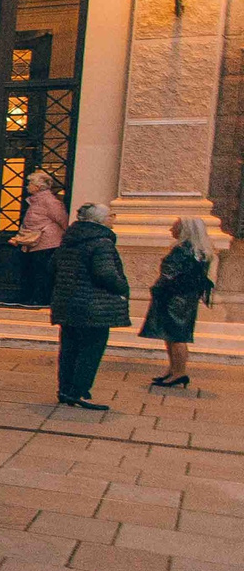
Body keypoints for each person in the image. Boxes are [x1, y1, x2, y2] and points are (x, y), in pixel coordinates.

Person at [50, 201, 131, 413]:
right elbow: (105, 273)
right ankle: (78, 391)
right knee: (91, 348)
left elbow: (53, 266)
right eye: (110, 215)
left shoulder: (70, 239)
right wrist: (123, 286)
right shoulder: (101, 241)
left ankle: (65, 389)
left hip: (68, 302)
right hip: (93, 305)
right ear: (100, 220)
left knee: (69, 347)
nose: (113, 219)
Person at [139, 217, 217, 390]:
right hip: (185, 298)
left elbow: (170, 275)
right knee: (175, 335)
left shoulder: (182, 250)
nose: (170, 230)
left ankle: (178, 372)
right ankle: (174, 370)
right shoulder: (199, 251)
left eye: (174, 227)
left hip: (174, 298)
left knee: (176, 336)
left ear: (184, 230)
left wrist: (158, 289)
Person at [13, 171, 69, 308]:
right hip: (35, 242)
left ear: (38, 186)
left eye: (30, 183)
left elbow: (63, 220)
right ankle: (32, 297)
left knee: (42, 272)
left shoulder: (50, 201)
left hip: (47, 242)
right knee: (34, 270)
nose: (27, 186)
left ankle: (40, 299)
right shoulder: (37, 200)